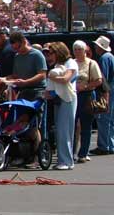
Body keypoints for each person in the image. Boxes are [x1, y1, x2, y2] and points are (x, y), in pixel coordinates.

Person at [0, 32, 47, 107]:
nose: (17, 50)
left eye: (18, 47)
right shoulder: (17, 56)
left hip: (37, 91)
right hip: (23, 92)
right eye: (14, 49)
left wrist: (26, 82)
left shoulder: (37, 54)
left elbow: (42, 75)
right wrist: (3, 79)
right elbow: (15, 75)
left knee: (29, 117)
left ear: (24, 42)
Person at [43, 42, 77, 170]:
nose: (50, 56)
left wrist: (51, 76)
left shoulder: (71, 63)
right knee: (60, 130)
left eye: (52, 53)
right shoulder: (58, 65)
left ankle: (67, 161)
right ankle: (63, 160)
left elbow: (65, 79)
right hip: (59, 98)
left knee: (65, 130)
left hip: (68, 99)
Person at [71, 40, 102, 163]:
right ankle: (72, 152)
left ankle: (83, 153)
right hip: (73, 96)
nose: (78, 52)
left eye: (80, 49)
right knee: (72, 125)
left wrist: (84, 87)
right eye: (76, 49)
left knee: (86, 125)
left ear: (85, 51)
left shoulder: (91, 63)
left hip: (87, 96)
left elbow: (98, 80)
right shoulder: (71, 63)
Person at [92, 36, 114, 155]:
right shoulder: (110, 57)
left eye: (97, 45)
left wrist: (102, 94)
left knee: (103, 118)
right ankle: (110, 145)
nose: (95, 47)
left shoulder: (104, 58)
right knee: (110, 120)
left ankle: (104, 146)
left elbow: (103, 78)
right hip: (112, 90)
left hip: (107, 90)